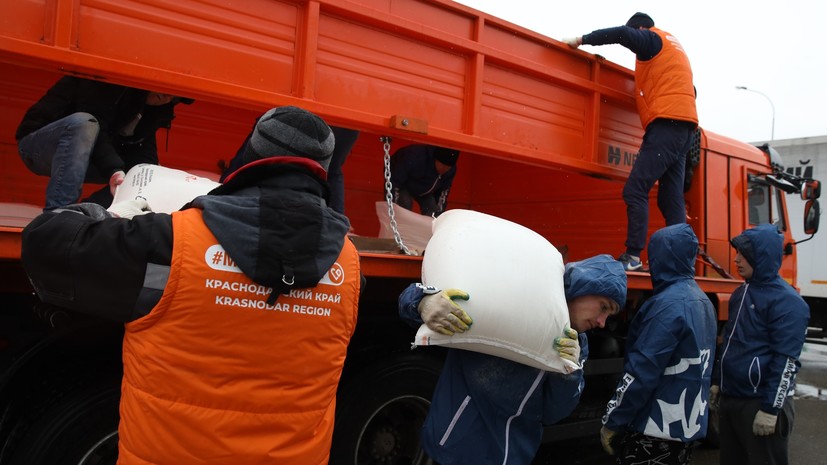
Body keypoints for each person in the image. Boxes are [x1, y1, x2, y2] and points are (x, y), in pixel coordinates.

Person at [21, 106, 360, 465]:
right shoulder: (349, 265)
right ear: (323, 169)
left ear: (252, 154)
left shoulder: (172, 241)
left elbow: (45, 242)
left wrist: (106, 215)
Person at [398, 254, 627, 465]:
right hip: (456, 449)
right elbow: (411, 297)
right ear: (581, 288)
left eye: (609, 314)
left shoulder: (577, 345)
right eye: (603, 307)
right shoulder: (514, 300)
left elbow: (553, 414)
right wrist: (422, 301)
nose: (602, 322)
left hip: (514, 458)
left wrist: (568, 373)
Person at [564, 13, 698, 271]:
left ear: (640, 27)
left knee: (635, 189)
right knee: (670, 200)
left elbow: (624, 35)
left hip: (667, 125)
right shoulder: (674, 49)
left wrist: (582, 39)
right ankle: (682, 262)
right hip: (686, 129)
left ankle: (633, 257)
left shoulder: (650, 38)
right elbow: (692, 90)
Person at [600, 223, 717, 465]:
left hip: (653, 427)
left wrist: (613, 421)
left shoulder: (666, 306)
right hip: (685, 425)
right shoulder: (702, 301)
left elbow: (641, 371)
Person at [16, 75, 193, 210]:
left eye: (174, 96)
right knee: (84, 124)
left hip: (85, 157)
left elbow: (144, 156)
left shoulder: (149, 112)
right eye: (166, 89)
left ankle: (85, 213)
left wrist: (149, 176)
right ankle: (57, 213)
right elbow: (96, 128)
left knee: (146, 172)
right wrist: (114, 169)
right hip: (39, 147)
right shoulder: (109, 81)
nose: (167, 96)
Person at [711, 224, 809, 465]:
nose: (736, 259)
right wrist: (716, 381)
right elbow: (729, 344)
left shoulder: (788, 302)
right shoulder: (740, 294)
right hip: (732, 400)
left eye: (743, 254)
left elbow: (786, 361)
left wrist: (771, 410)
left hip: (761, 403)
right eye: (737, 253)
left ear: (761, 256)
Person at [221, 122, 359, 215]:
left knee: (259, 147)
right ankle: (336, 218)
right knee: (333, 168)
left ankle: (223, 195)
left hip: (295, 105)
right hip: (346, 115)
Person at [390, 144, 459, 217]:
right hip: (403, 185)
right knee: (404, 204)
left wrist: (438, 216)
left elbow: (442, 194)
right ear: (435, 159)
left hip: (425, 191)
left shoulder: (450, 171)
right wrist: (392, 206)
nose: (444, 169)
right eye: (441, 165)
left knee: (432, 211)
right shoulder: (415, 156)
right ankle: (399, 227)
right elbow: (395, 182)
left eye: (447, 168)